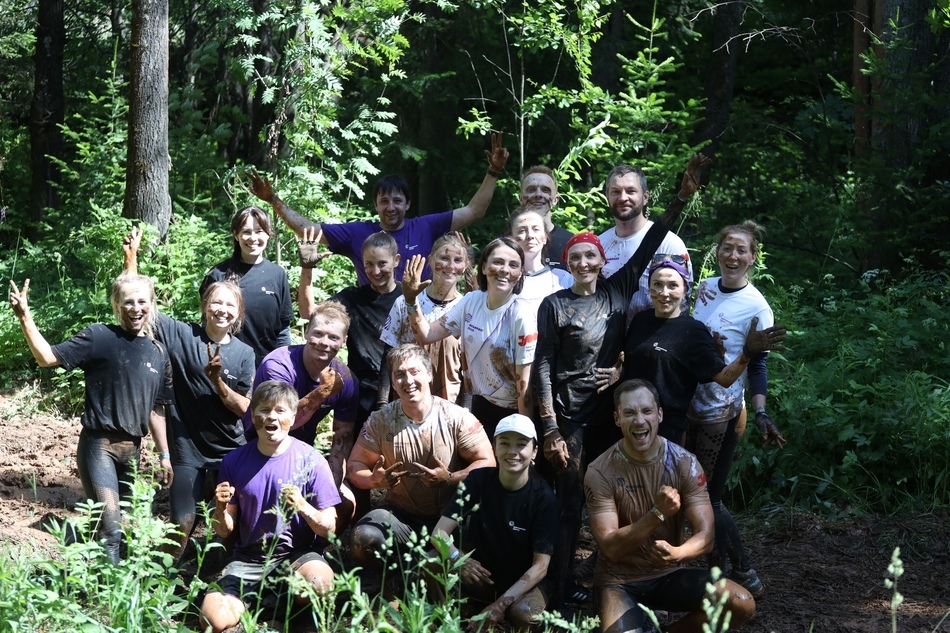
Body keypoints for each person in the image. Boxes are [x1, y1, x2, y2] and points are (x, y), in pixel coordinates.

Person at [533, 153, 709, 607]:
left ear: (602, 261)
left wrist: (678, 200)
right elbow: (544, 364)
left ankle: (618, 569)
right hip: (569, 418)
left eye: (593, 255)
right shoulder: (553, 304)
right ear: (568, 261)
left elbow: (652, 242)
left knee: (616, 494)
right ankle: (558, 583)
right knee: (569, 501)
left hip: (611, 412)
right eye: (578, 256)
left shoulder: (619, 288)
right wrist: (550, 426)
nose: (586, 262)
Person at [9, 274, 173, 564]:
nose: (136, 308)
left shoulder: (158, 352)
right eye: (128, 302)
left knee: (118, 526)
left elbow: (155, 410)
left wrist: (165, 455)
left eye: (142, 302)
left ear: (152, 305)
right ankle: (107, 603)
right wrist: (25, 316)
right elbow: (47, 358)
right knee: (112, 528)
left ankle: (70, 540)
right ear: (117, 305)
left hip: (133, 452)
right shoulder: (100, 337)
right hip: (99, 447)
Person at [123, 228, 256, 557]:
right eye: (216, 302)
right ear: (205, 306)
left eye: (229, 305)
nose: (222, 310)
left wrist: (217, 381)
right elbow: (143, 306)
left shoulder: (244, 354)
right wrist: (131, 260)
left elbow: (245, 408)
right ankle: (167, 579)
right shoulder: (183, 335)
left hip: (230, 451)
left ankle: (220, 574)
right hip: (188, 451)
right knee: (181, 520)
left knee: (226, 523)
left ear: (237, 314)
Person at [585, 379, 756, 633]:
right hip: (619, 580)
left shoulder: (685, 463)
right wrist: (657, 514)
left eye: (646, 411)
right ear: (617, 418)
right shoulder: (599, 471)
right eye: (629, 413)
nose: (639, 420)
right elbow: (610, 547)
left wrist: (678, 554)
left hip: (669, 574)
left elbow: (706, 537)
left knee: (741, 603)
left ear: (660, 414)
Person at [248, 134, 509, 285]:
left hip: (422, 314)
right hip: (373, 322)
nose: (391, 207)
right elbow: (310, 231)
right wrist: (273, 200)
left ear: (407, 204)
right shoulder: (359, 233)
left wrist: (493, 171)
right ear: (376, 205)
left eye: (397, 201)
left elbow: (475, 210)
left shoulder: (426, 226)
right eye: (384, 202)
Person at [686, 221, 787, 597]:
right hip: (688, 403)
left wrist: (761, 412)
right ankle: (718, 571)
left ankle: (741, 571)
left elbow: (758, 365)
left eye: (741, 250)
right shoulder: (704, 288)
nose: (732, 255)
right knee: (691, 492)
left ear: (753, 257)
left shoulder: (757, 306)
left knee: (709, 495)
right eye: (727, 247)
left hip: (723, 410)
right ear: (717, 252)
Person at [200, 381, 340, 633]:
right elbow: (223, 531)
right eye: (263, 410)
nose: (271, 417)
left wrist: (302, 506)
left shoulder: (312, 460)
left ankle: (287, 608)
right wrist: (220, 508)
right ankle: (267, 606)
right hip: (248, 559)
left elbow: (329, 529)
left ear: (293, 416)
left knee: (320, 584)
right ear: (253, 416)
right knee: (214, 621)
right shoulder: (234, 460)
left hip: (297, 556)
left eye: (280, 411)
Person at [347, 344, 495, 574]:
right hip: (402, 515)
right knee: (363, 538)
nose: (408, 380)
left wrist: (450, 478)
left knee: (487, 536)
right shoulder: (380, 420)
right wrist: (375, 480)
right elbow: (355, 466)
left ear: (429, 374)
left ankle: (428, 568)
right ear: (393, 383)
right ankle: (410, 573)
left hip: (450, 518)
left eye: (415, 372)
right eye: (400, 375)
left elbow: (488, 462)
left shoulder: (456, 417)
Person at [621, 259, 787, 446]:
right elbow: (628, 360)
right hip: (627, 423)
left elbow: (724, 378)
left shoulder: (692, 331)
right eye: (657, 285)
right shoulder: (640, 320)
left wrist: (747, 353)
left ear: (684, 291)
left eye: (673, 286)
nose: (664, 293)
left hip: (666, 430)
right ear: (649, 288)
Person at [431, 413, 557, 630]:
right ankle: (450, 621)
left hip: (524, 583)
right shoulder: (478, 481)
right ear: (494, 447)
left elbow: (541, 566)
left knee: (525, 616)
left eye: (521, 444)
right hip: (483, 575)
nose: (512, 452)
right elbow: (438, 534)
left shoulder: (544, 498)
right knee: (431, 562)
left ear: (534, 451)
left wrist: (502, 603)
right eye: (505, 443)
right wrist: (459, 559)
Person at [402, 237, 537, 436]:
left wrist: (525, 433)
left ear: (520, 274)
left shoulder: (520, 313)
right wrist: (411, 299)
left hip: (512, 412)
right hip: (478, 405)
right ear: (483, 267)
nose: (505, 270)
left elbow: (524, 388)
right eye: (498, 262)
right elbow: (427, 334)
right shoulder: (472, 300)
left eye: (513, 265)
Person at [247, 299, 359, 529]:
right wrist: (323, 392)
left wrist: (331, 487)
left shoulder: (345, 380)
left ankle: (317, 549)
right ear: (306, 331)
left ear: (344, 341)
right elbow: (277, 424)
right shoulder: (278, 365)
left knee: (345, 505)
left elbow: (342, 438)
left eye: (333, 337)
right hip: (259, 445)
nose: (324, 343)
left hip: (301, 450)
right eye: (318, 334)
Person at [598, 158, 709, 319]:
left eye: (631, 191)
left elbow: (683, 303)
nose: (623, 198)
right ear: (607, 196)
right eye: (615, 191)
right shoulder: (600, 245)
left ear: (645, 197)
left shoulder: (669, 244)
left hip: (653, 339)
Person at [380, 232, 472, 405]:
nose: (450, 266)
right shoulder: (404, 302)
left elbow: (469, 369)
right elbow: (388, 355)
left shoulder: (467, 308)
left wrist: (466, 410)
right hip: (405, 400)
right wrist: (382, 403)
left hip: (448, 404)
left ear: (466, 265)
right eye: (444, 258)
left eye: (458, 260)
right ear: (430, 260)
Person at [200, 205, 293, 364]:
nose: (253, 238)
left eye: (259, 231)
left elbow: (283, 329)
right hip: (226, 364)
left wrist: (283, 363)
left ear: (268, 233)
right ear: (236, 235)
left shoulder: (277, 274)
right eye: (246, 232)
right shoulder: (218, 274)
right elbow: (206, 325)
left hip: (267, 366)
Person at [508, 206, 572, 314]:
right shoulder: (505, 280)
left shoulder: (563, 279)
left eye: (536, 229)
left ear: (545, 237)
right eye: (522, 230)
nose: (530, 236)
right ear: (512, 239)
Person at [519, 165, 574, 269]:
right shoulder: (507, 242)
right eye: (531, 190)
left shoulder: (571, 243)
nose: (538, 195)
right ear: (521, 198)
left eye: (545, 190)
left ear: (555, 199)